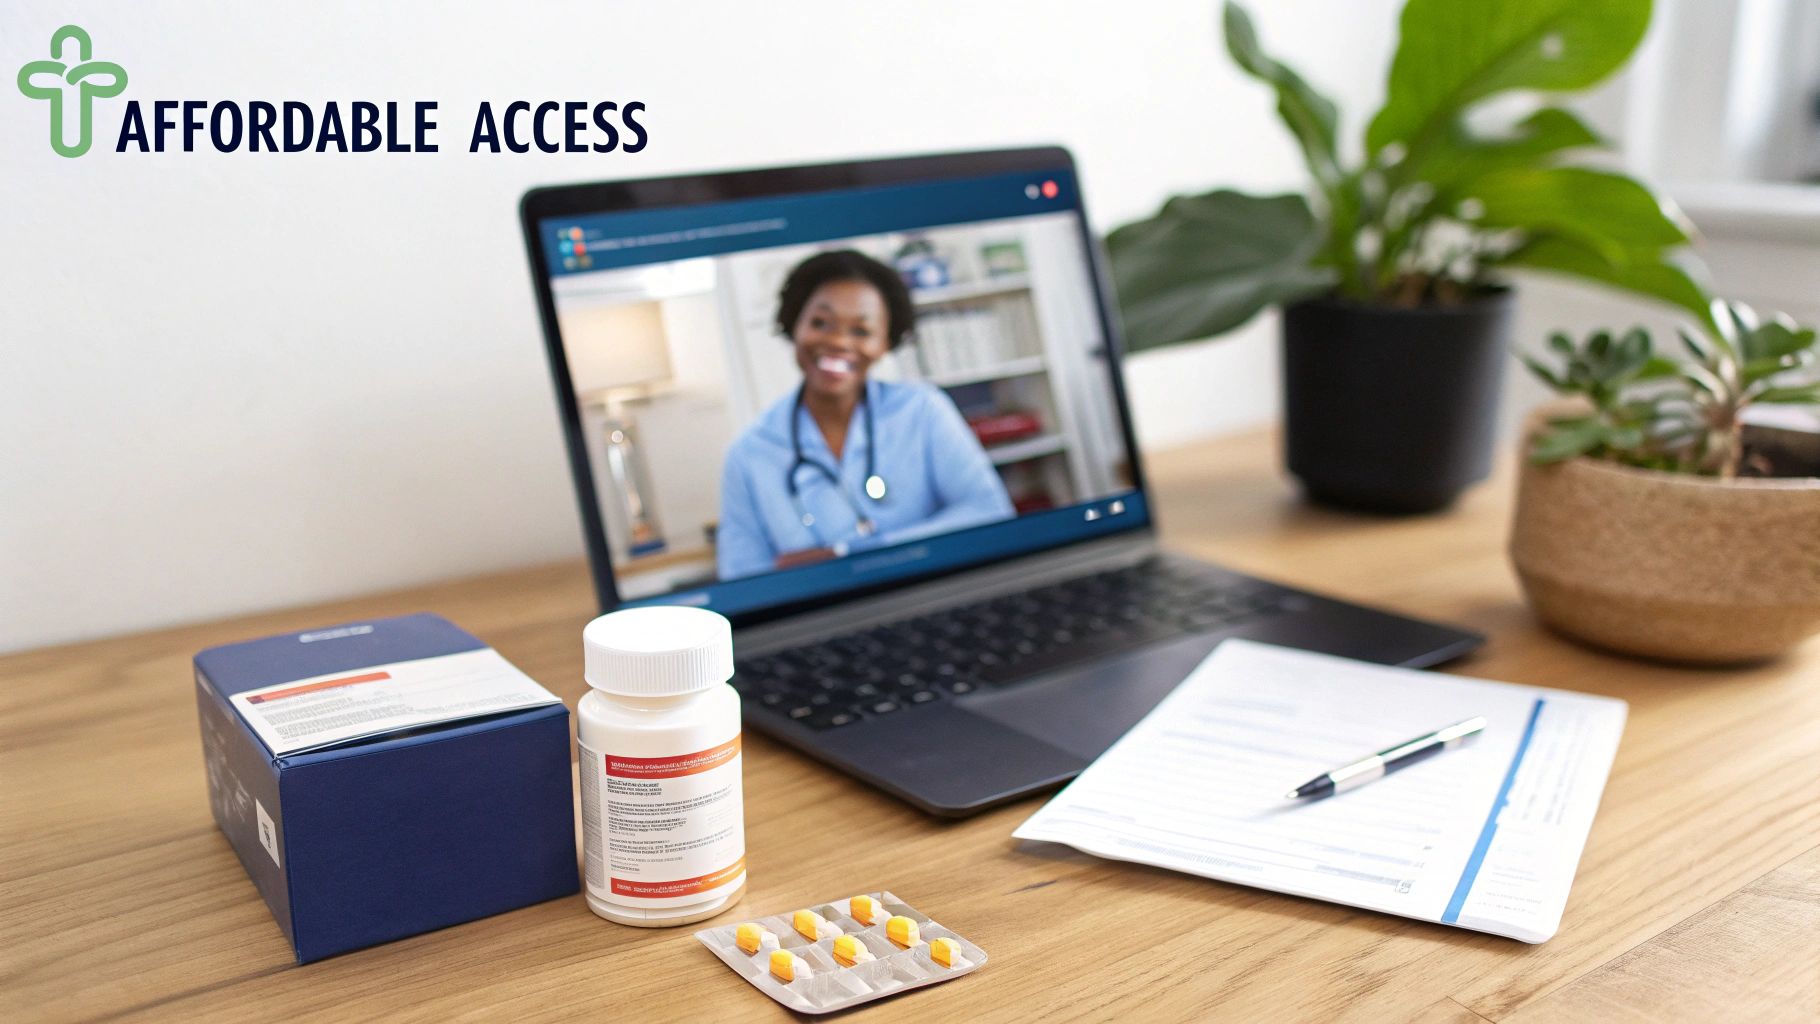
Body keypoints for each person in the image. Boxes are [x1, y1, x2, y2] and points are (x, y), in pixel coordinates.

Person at [717, 249, 1014, 580]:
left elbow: (989, 510)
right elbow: (741, 574)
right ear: (793, 324)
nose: (838, 341)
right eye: (820, 323)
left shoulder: (921, 410)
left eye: (861, 331)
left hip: (931, 587)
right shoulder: (749, 454)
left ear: (886, 342)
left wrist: (855, 552)